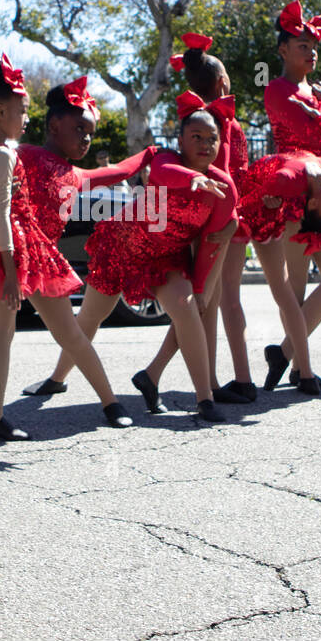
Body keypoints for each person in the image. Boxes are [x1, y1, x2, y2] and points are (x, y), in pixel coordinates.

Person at [0, 57, 133, 438]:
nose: (86, 138)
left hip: (32, 254)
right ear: (53, 125)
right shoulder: (21, 153)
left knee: (65, 332)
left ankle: (109, 401)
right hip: (1, 249)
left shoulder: (71, 171)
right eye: (79, 129)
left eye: (90, 133)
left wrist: (151, 157)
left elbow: (115, 173)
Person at [42, 106, 237, 422]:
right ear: (180, 140)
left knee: (188, 309)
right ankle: (57, 378)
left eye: (212, 138)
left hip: (168, 258)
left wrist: (201, 286)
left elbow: (213, 243)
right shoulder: (165, 159)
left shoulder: (224, 186)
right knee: (92, 315)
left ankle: (205, 400)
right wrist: (195, 179)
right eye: (196, 136)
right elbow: (165, 175)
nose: (205, 144)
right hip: (123, 246)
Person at [132, 34, 258, 404]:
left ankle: (164, 376)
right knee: (208, 303)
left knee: (205, 304)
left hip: (200, 222)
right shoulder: (222, 124)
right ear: (222, 83)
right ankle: (216, 384)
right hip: (219, 225)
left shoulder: (195, 122)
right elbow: (227, 177)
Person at [260, 1, 321, 387]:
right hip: (293, 198)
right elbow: (314, 133)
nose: (311, 52)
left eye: (314, 46)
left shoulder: (319, 92)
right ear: (282, 50)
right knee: (295, 288)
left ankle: (284, 353)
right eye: (302, 45)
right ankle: (302, 368)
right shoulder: (277, 90)